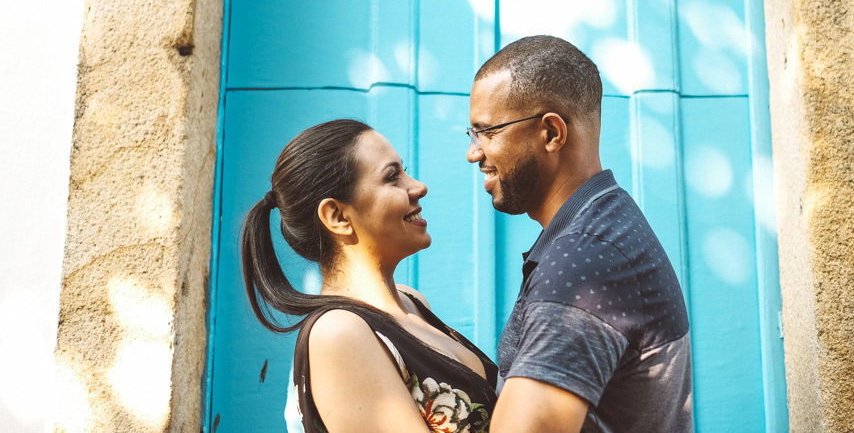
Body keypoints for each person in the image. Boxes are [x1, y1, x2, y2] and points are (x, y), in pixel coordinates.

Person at [466, 36, 693, 433]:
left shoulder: (586, 261)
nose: (474, 153)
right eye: (472, 134)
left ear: (552, 133)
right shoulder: (606, 227)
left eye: (488, 132)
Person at [242, 119, 497, 433]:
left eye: (404, 171)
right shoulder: (339, 333)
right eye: (393, 177)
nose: (418, 186)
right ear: (337, 216)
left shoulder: (412, 302)